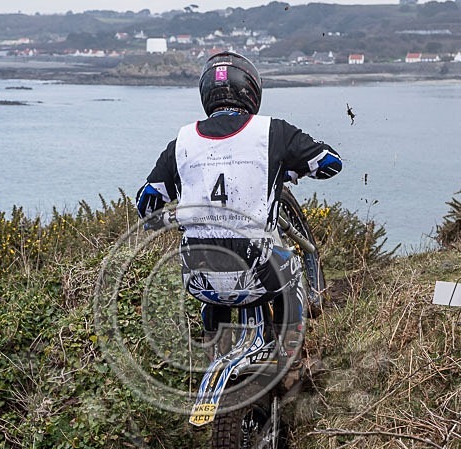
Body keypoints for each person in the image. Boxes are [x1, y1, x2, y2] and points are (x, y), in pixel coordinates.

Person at [136, 51, 342, 375]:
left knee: (209, 276)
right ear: (251, 90)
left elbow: (146, 203)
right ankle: (290, 360)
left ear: (206, 93)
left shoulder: (181, 142)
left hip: (197, 276)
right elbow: (330, 163)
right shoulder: (273, 131)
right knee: (290, 270)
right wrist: (290, 169)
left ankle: (214, 350)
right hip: (259, 270)